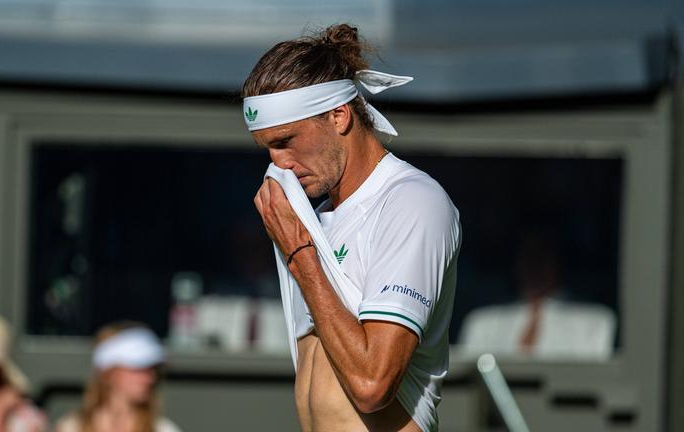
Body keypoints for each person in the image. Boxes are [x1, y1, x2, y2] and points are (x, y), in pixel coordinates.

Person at [244, 24, 461, 432]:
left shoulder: (412, 202)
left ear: (339, 115)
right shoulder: (317, 217)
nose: (279, 164)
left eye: (288, 139)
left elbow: (370, 385)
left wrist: (299, 253)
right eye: (268, 148)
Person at [458, 227, 616, 359]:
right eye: (528, 254)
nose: (534, 263)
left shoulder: (595, 322)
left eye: (542, 254)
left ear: (558, 259)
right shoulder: (482, 323)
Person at [56, 322, 182, 432]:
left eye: (152, 369)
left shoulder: (163, 429)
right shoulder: (71, 427)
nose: (149, 378)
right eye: (138, 368)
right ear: (109, 371)